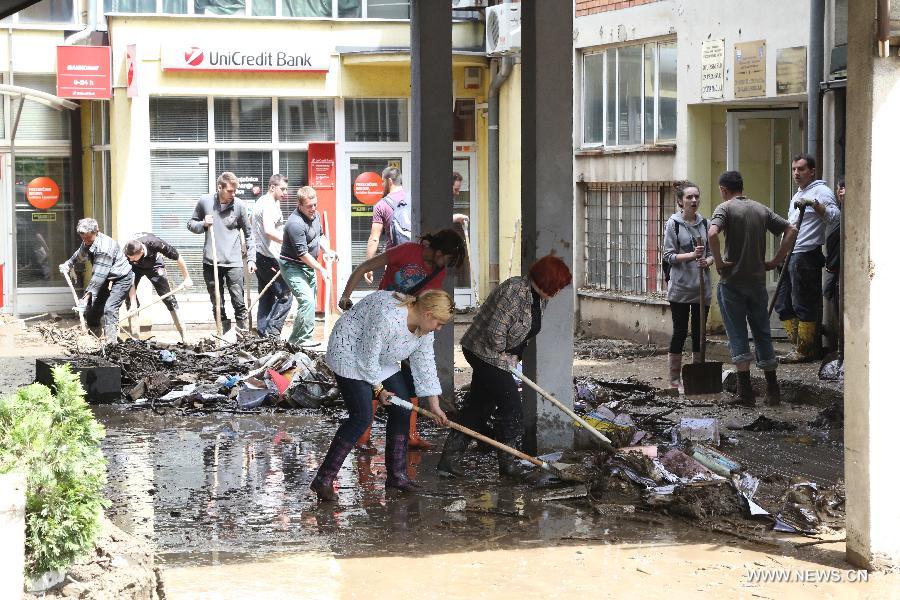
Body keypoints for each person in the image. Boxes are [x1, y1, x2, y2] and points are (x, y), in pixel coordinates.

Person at [310, 289, 453, 501]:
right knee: (361, 417)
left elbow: (425, 364)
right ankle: (323, 479)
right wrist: (379, 390)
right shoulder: (388, 317)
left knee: (403, 408)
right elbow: (367, 358)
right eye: (439, 323)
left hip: (381, 355)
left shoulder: (424, 330)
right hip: (350, 350)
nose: (439, 329)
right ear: (428, 315)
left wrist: (434, 405)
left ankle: (397, 475)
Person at [437, 255, 572, 479]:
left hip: (500, 356)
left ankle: (448, 461)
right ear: (547, 280)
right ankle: (508, 466)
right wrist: (504, 356)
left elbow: (526, 332)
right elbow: (495, 332)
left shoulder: (540, 298)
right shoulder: (516, 290)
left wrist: (515, 355)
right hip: (484, 352)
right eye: (557, 285)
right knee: (512, 407)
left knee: (478, 407)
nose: (558, 291)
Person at [338, 229, 467, 452]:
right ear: (439, 250)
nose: (445, 264)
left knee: (409, 383)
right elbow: (364, 267)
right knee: (371, 377)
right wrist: (346, 296)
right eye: (447, 258)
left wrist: (434, 404)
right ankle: (363, 436)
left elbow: (429, 309)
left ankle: (410, 436)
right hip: (381, 323)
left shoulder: (438, 273)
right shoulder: (407, 251)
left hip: (409, 329)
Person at [707, 171, 797, 406]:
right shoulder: (761, 209)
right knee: (762, 334)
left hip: (732, 284)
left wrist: (718, 262)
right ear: (741, 187)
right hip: (757, 283)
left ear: (723, 189)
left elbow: (712, 233)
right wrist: (776, 260)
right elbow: (792, 230)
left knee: (738, 335)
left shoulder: (725, 208)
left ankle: (745, 392)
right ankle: (772, 390)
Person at [774, 154, 840, 363]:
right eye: (794, 169)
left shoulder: (821, 191)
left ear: (812, 171)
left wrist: (815, 204)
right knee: (783, 303)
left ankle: (805, 350)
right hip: (790, 252)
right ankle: (798, 345)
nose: (796, 173)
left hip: (805, 254)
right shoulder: (797, 195)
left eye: (801, 169)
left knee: (803, 302)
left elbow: (835, 217)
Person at [187, 171, 256, 333]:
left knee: (238, 301)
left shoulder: (239, 206)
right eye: (230, 191)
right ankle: (223, 335)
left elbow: (249, 233)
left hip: (234, 262)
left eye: (235, 191)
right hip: (211, 262)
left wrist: (251, 259)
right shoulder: (205, 202)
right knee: (217, 302)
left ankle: (242, 338)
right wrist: (203, 223)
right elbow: (190, 224)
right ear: (220, 188)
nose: (233, 194)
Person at [663, 181, 712, 390]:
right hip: (681, 288)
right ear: (680, 202)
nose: (694, 200)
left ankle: (696, 377)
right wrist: (692, 255)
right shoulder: (673, 224)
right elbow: (668, 256)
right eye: (689, 197)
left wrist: (706, 261)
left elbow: (711, 256)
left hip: (702, 288)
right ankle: (675, 380)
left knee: (700, 332)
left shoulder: (705, 224)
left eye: (696, 197)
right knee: (680, 332)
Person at [59, 218, 134, 342]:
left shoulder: (104, 248)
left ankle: (112, 344)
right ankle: (95, 340)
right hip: (105, 275)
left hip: (122, 277)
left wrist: (85, 298)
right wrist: (69, 264)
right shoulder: (87, 240)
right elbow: (80, 253)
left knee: (110, 309)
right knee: (93, 312)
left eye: (89, 238)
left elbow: (99, 277)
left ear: (97, 232)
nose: (86, 241)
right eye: (83, 238)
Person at [280, 186, 335, 346]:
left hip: (307, 265)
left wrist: (329, 250)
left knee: (310, 303)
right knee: (307, 301)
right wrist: (321, 269)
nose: (313, 209)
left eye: (315, 204)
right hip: (292, 265)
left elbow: (320, 236)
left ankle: (294, 343)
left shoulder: (316, 215)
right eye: (309, 206)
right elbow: (302, 253)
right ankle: (304, 340)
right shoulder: (294, 223)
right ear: (300, 205)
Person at [122, 233, 193, 342]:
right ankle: (135, 338)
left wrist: (187, 278)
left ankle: (185, 336)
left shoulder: (155, 243)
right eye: (129, 258)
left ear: (141, 252)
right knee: (130, 301)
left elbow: (178, 257)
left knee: (169, 298)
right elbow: (129, 279)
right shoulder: (127, 254)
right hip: (134, 269)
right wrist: (133, 303)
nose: (130, 260)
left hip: (154, 265)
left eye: (132, 258)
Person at [252, 174, 292, 338]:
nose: (285, 193)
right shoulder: (268, 205)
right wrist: (290, 241)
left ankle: (262, 334)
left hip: (260, 255)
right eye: (282, 189)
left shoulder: (260, 201)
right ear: (272, 187)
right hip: (269, 257)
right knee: (285, 295)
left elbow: (250, 223)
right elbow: (269, 231)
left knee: (266, 296)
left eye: (286, 189)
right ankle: (272, 333)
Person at [364, 166, 408, 283]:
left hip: (394, 258)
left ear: (389, 181)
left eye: (383, 182)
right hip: (414, 256)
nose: (382, 185)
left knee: (393, 297)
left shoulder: (381, 205)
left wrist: (368, 266)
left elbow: (374, 239)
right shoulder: (412, 200)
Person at [823, 176, 843, 354]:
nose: (840, 192)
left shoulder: (851, 214)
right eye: (839, 188)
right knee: (830, 294)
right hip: (833, 265)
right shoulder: (838, 212)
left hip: (841, 268)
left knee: (840, 303)